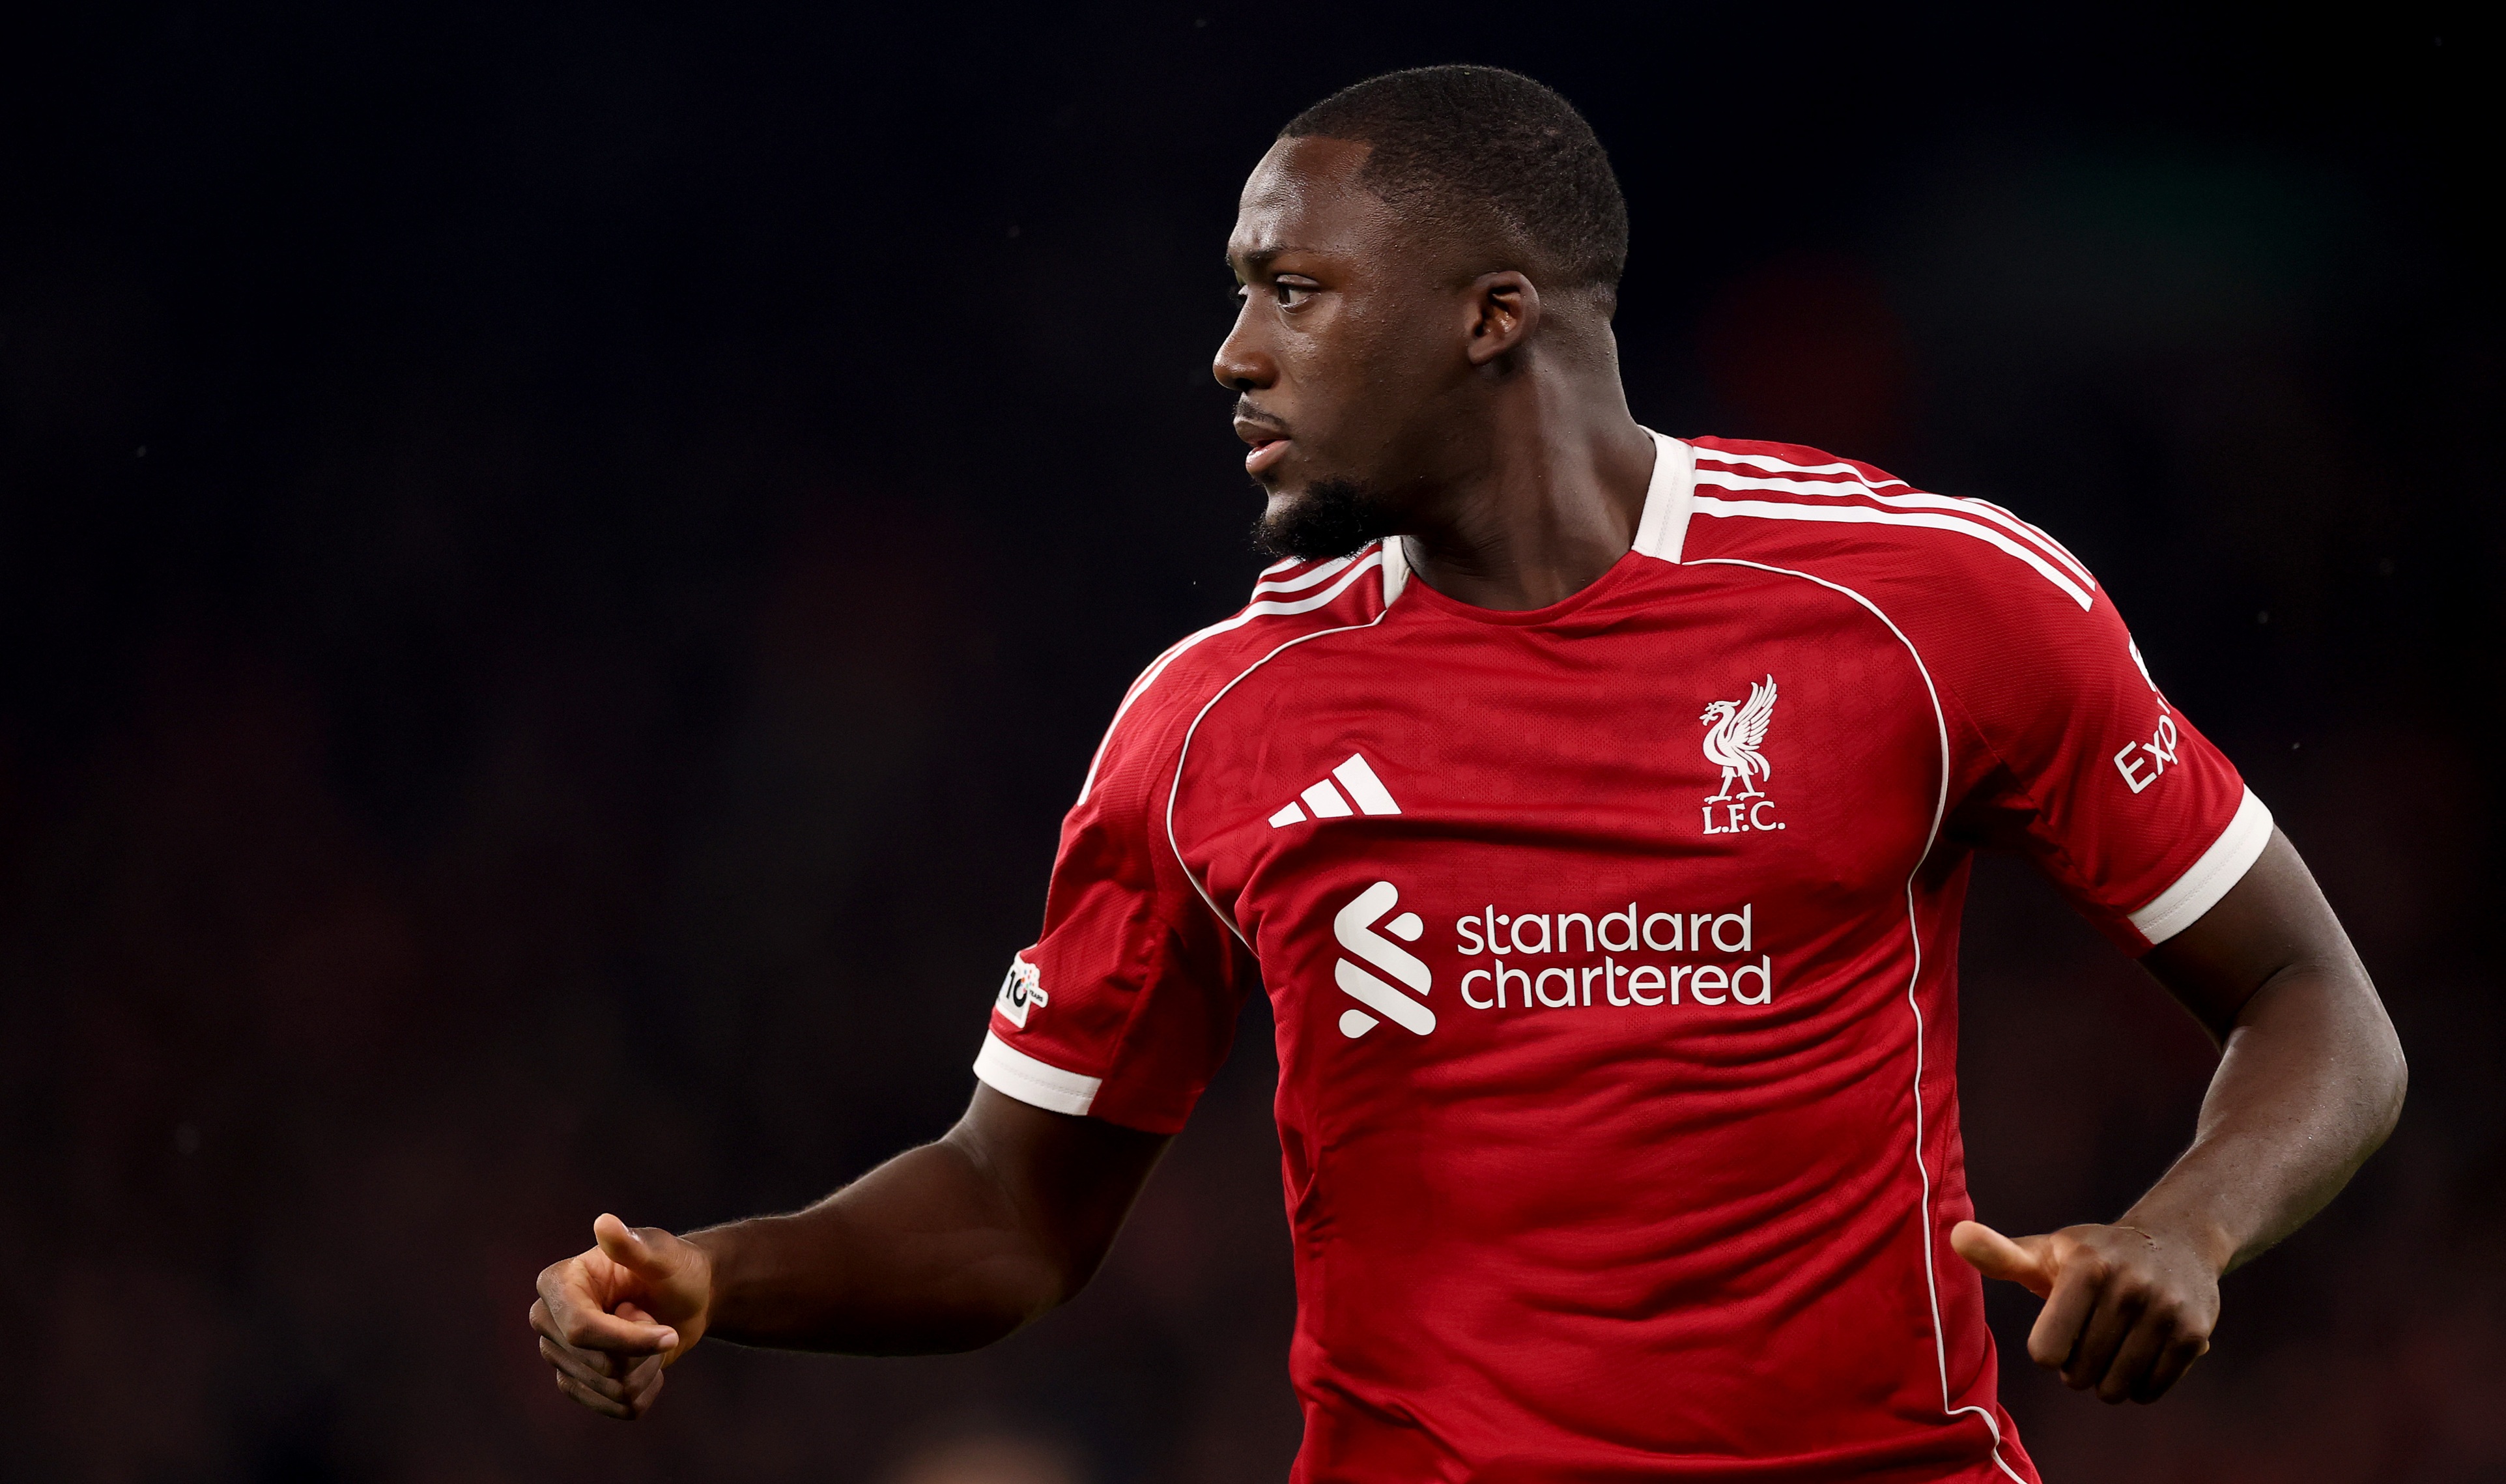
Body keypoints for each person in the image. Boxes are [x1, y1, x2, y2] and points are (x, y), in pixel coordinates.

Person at [530, 66, 2406, 1482]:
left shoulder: (1928, 603)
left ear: (1493, 315)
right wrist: (719, 1275)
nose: (1229, 353)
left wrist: (2189, 1223)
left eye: (1291, 291)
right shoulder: (1215, 718)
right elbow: (1015, 1209)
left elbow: (2319, 1005)